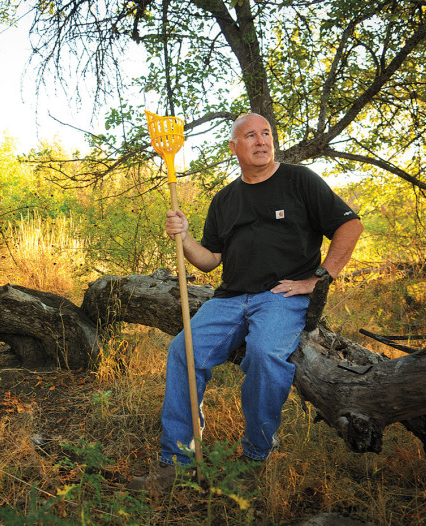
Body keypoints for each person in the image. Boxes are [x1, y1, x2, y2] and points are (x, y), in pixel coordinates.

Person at [128, 113, 364, 493]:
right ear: (234, 147)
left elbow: (349, 225)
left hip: (280, 297)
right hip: (230, 297)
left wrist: (320, 278)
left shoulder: (299, 180)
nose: (261, 141)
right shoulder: (225, 199)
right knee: (183, 351)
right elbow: (209, 260)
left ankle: (256, 454)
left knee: (265, 353)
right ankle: (177, 463)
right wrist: (184, 237)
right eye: (251, 135)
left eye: (266, 133)